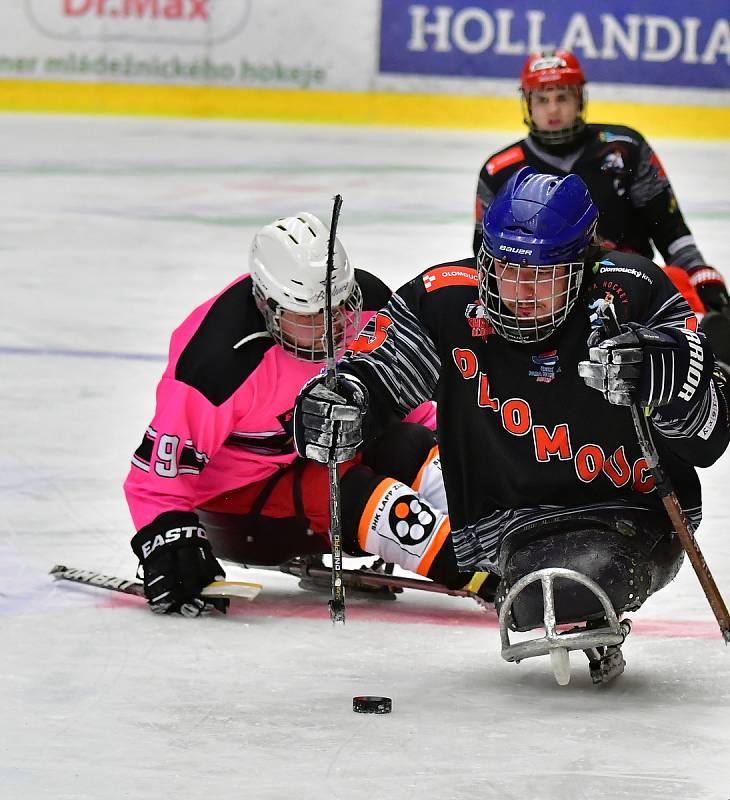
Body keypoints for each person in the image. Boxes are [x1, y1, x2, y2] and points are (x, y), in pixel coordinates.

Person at [295, 169, 729, 647]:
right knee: (540, 597)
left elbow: (708, 439)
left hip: (628, 510)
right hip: (509, 518)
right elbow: (378, 374)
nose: (518, 294)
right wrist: (342, 403)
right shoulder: (445, 299)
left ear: (581, 267)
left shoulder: (633, 293)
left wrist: (666, 382)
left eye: (540, 277)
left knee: (575, 586)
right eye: (507, 271)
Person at [123, 211, 493, 616]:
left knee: (412, 446)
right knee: (355, 494)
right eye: (308, 317)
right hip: (243, 499)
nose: (330, 328)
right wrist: (170, 543)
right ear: (267, 306)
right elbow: (156, 480)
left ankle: (506, 537)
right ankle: (490, 577)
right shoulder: (217, 365)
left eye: (339, 308)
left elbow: (410, 408)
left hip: (326, 454)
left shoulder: (371, 305)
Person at [472, 48, 730, 366]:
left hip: (626, 287)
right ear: (527, 103)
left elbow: (668, 226)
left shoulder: (625, 149)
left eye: (563, 98)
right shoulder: (500, 172)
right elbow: (486, 258)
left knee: (683, 291)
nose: (553, 109)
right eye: (542, 99)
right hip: (543, 294)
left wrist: (700, 273)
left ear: (580, 98)